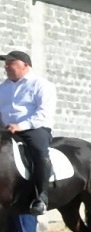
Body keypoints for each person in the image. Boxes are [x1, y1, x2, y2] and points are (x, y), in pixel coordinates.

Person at [1, 50, 56, 215]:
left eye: (11, 63)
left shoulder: (41, 85)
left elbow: (44, 113)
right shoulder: (3, 87)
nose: (7, 66)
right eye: (6, 64)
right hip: (6, 129)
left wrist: (21, 125)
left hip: (34, 128)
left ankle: (41, 196)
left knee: (39, 152)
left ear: (25, 65)